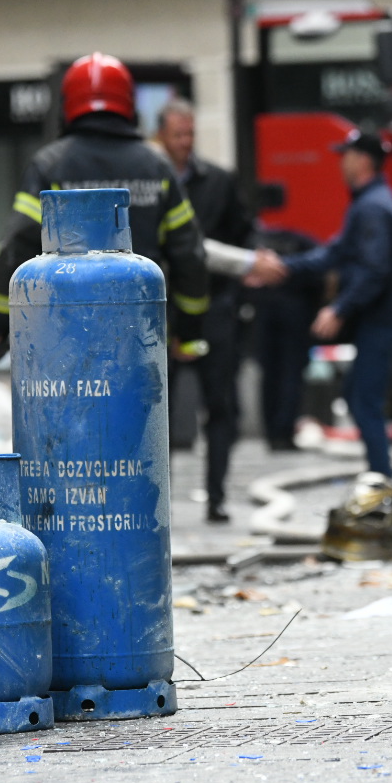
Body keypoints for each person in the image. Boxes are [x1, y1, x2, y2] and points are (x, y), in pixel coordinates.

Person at [0, 52, 211, 418]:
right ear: (129, 107)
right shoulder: (157, 166)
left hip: (66, 340)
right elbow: (190, 256)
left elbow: (17, 246)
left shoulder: (50, 164)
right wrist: (190, 329)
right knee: (140, 443)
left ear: (68, 107)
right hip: (143, 337)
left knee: (75, 440)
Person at [249, 131, 392, 477]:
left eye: (347, 155)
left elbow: (375, 270)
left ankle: (383, 484)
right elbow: (334, 254)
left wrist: (339, 308)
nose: (342, 162)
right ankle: (379, 479)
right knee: (357, 396)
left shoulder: (373, 208)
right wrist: (282, 266)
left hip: (381, 320)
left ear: (363, 160)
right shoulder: (367, 204)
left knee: (365, 402)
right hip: (376, 319)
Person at [153, 98, 254, 522]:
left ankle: (216, 497)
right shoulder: (151, 183)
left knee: (221, 405)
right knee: (160, 412)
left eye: (190, 134)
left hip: (213, 310)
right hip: (165, 312)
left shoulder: (219, 181)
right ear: (162, 134)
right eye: (177, 134)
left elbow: (243, 235)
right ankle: (162, 506)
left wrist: (235, 294)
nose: (185, 143)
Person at [252, 226, 323, 451]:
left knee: (270, 375)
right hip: (296, 313)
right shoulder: (305, 243)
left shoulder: (258, 240)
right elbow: (318, 277)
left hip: (263, 312)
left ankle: (273, 433)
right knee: (291, 374)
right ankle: (283, 433)